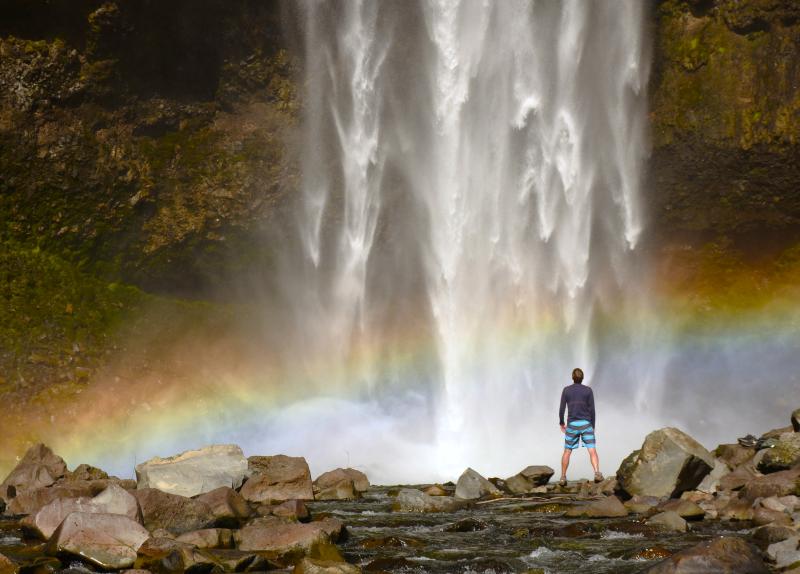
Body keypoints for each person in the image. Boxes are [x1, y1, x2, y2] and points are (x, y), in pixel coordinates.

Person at [558, 367, 602, 486]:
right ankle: (597, 473)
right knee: (592, 450)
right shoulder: (588, 390)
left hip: (572, 424)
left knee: (567, 451)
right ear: (582, 378)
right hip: (586, 423)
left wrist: (561, 423)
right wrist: (593, 425)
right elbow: (592, 409)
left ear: (573, 378)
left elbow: (562, 408)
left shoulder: (566, 390)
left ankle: (562, 477)